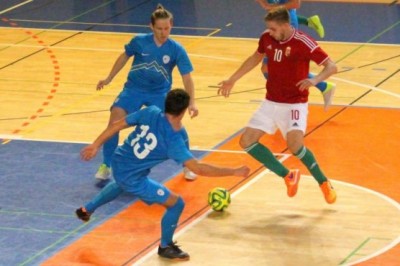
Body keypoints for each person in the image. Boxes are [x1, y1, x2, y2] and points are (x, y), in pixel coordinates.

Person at [76, 89, 250, 261]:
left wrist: (95, 145)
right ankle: (166, 247)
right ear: (183, 112)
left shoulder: (150, 111)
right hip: (132, 177)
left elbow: (116, 125)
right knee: (176, 204)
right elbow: (198, 168)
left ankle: (86, 210)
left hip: (119, 161)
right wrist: (233, 171)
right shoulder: (174, 140)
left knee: (121, 182)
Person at [217, 7, 337, 204]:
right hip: (271, 101)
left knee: (296, 146)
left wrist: (316, 81)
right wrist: (232, 79)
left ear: (286, 26)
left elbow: (332, 66)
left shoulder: (303, 42)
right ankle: (288, 176)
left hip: (295, 104)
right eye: (268, 28)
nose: (269, 32)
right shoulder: (267, 38)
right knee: (246, 141)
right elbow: (255, 58)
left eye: (273, 29)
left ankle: (323, 183)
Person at [94, 4, 199, 181]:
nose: (163, 32)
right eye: (159, 28)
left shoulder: (176, 49)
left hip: (159, 93)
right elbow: (124, 56)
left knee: (175, 125)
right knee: (114, 121)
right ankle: (106, 165)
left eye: (167, 28)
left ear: (171, 25)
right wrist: (109, 77)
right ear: (151, 27)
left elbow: (187, 78)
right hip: (133, 90)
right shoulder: (139, 41)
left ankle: (188, 165)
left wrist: (192, 102)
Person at [255, 0, 336, 110]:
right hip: (278, 22)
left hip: (286, 24)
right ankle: (323, 87)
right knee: (266, 68)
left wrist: (275, 8)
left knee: (281, 68)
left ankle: (288, 96)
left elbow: (296, 3)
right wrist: (264, 4)